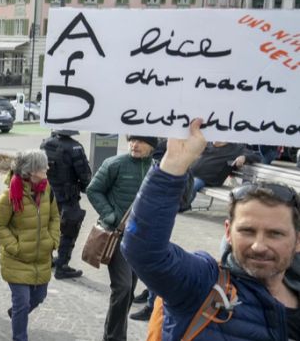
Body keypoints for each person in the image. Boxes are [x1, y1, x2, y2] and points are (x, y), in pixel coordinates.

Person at [122, 119, 300, 340]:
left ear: (298, 240)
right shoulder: (204, 285)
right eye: (247, 231)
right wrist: (173, 165)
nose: (259, 245)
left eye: (275, 234)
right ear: (228, 232)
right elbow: (143, 251)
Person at [86, 135, 156, 340]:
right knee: (123, 288)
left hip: (142, 239)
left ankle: (115, 334)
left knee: (129, 290)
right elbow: (93, 190)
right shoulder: (114, 163)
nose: (134, 145)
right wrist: (111, 216)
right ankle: (114, 338)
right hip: (118, 236)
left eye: (141, 141)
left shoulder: (157, 168)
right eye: (132, 140)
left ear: (152, 146)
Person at [0, 150, 60, 341]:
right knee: (22, 302)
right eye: (42, 166)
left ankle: (15, 313)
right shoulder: (9, 195)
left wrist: (53, 240)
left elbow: (55, 217)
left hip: (41, 257)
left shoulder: (47, 189)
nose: (47, 168)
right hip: (17, 259)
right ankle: (19, 337)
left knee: (38, 297)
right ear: (30, 171)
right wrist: (16, 247)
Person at [40, 129, 92, 279]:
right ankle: (62, 265)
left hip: (47, 194)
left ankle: (47, 260)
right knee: (70, 228)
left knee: (48, 227)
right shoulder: (75, 147)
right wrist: (85, 187)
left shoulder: (45, 143)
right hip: (67, 196)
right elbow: (84, 174)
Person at [187, 141, 263, 208]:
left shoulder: (235, 148)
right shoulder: (207, 144)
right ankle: (180, 203)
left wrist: (244, 157)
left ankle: (182, 205)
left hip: (207, 179)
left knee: (192, 185)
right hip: (191, 174)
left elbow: (258, 155)